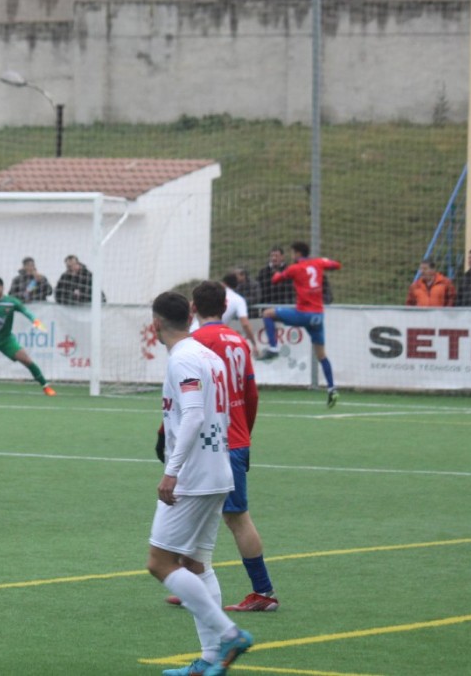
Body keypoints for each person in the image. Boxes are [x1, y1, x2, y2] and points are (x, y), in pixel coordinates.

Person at [146, 290, 254, 676]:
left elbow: (192, 415)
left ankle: (228, 634)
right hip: (218, 470)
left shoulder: (185, 358)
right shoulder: (210, 356)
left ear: (156, 323)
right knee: (195, 564)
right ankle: (210, 659)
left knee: (159, 563)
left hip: (193, 476)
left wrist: (172, 470)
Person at [163, 281, 278, 614]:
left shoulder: (195, 342)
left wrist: (164, 434)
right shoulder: (239, 340)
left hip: (212, 441)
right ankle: (192, 585)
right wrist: (247, 435)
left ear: (194, 308)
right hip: (237, 437)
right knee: (203, 513)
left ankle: (264, 591)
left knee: (235, 517)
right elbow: (251, 394)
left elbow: (183, 401)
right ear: (226, 305)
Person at [257, 241, 342, 408]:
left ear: (296, 254)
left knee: (267, 313)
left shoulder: (294, 268)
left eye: (292, 253)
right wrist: (326, 262)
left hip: (303, 313)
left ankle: (273, 348)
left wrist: (276, 273)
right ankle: (332, 388)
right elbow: (336, 265)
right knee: (321, 355)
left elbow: (276, 280)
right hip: (318, 316)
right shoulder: (318, 263)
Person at [220, 272, 258, 346]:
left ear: (223, 283)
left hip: (195, 331)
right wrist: (254, 344)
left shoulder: (213, 292)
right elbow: (245, 324)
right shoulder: (238, 300)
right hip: (213, 333)